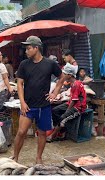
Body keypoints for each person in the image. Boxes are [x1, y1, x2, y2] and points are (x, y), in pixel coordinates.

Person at [12, 36, 65, 164]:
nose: (26, 51)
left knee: (42, 133)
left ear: (37, 48)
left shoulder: (50, 63)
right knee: (21, 132)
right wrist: (22, 102)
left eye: (29, 48)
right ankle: (15, 157)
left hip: (44, 106)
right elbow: (19, 84)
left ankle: (39, 158)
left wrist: (55, 93)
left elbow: (62, 77)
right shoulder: (24, 64)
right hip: (28, 106)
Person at [46, 64, 87, 142]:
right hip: (72, 103)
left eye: (64, 74)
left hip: (78, 107)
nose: (63, 75)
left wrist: (68, 110)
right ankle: (62, 130)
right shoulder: (72, 84)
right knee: (55, 110)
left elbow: (74, 100)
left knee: (62, 118)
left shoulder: (76, 84)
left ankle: (52, 135)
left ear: (69, 75)